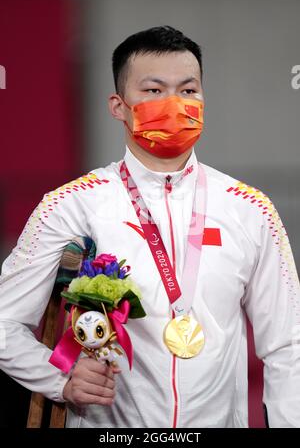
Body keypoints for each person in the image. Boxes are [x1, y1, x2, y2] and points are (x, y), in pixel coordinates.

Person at [0, 25, 299, 429]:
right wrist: (60, 376)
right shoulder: (71, 205)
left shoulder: (250, 208)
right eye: (154, 91)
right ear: (117, 105)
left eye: (188, 90)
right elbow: (5, 323)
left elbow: (288, 345)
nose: (174, 104)